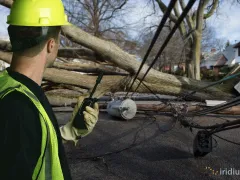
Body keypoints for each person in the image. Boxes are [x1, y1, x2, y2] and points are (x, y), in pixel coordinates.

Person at [0, 0, 99, 179]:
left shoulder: (11, 88)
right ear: (51, 44)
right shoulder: (20, 108)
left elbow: (27, 145)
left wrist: (71, 131)